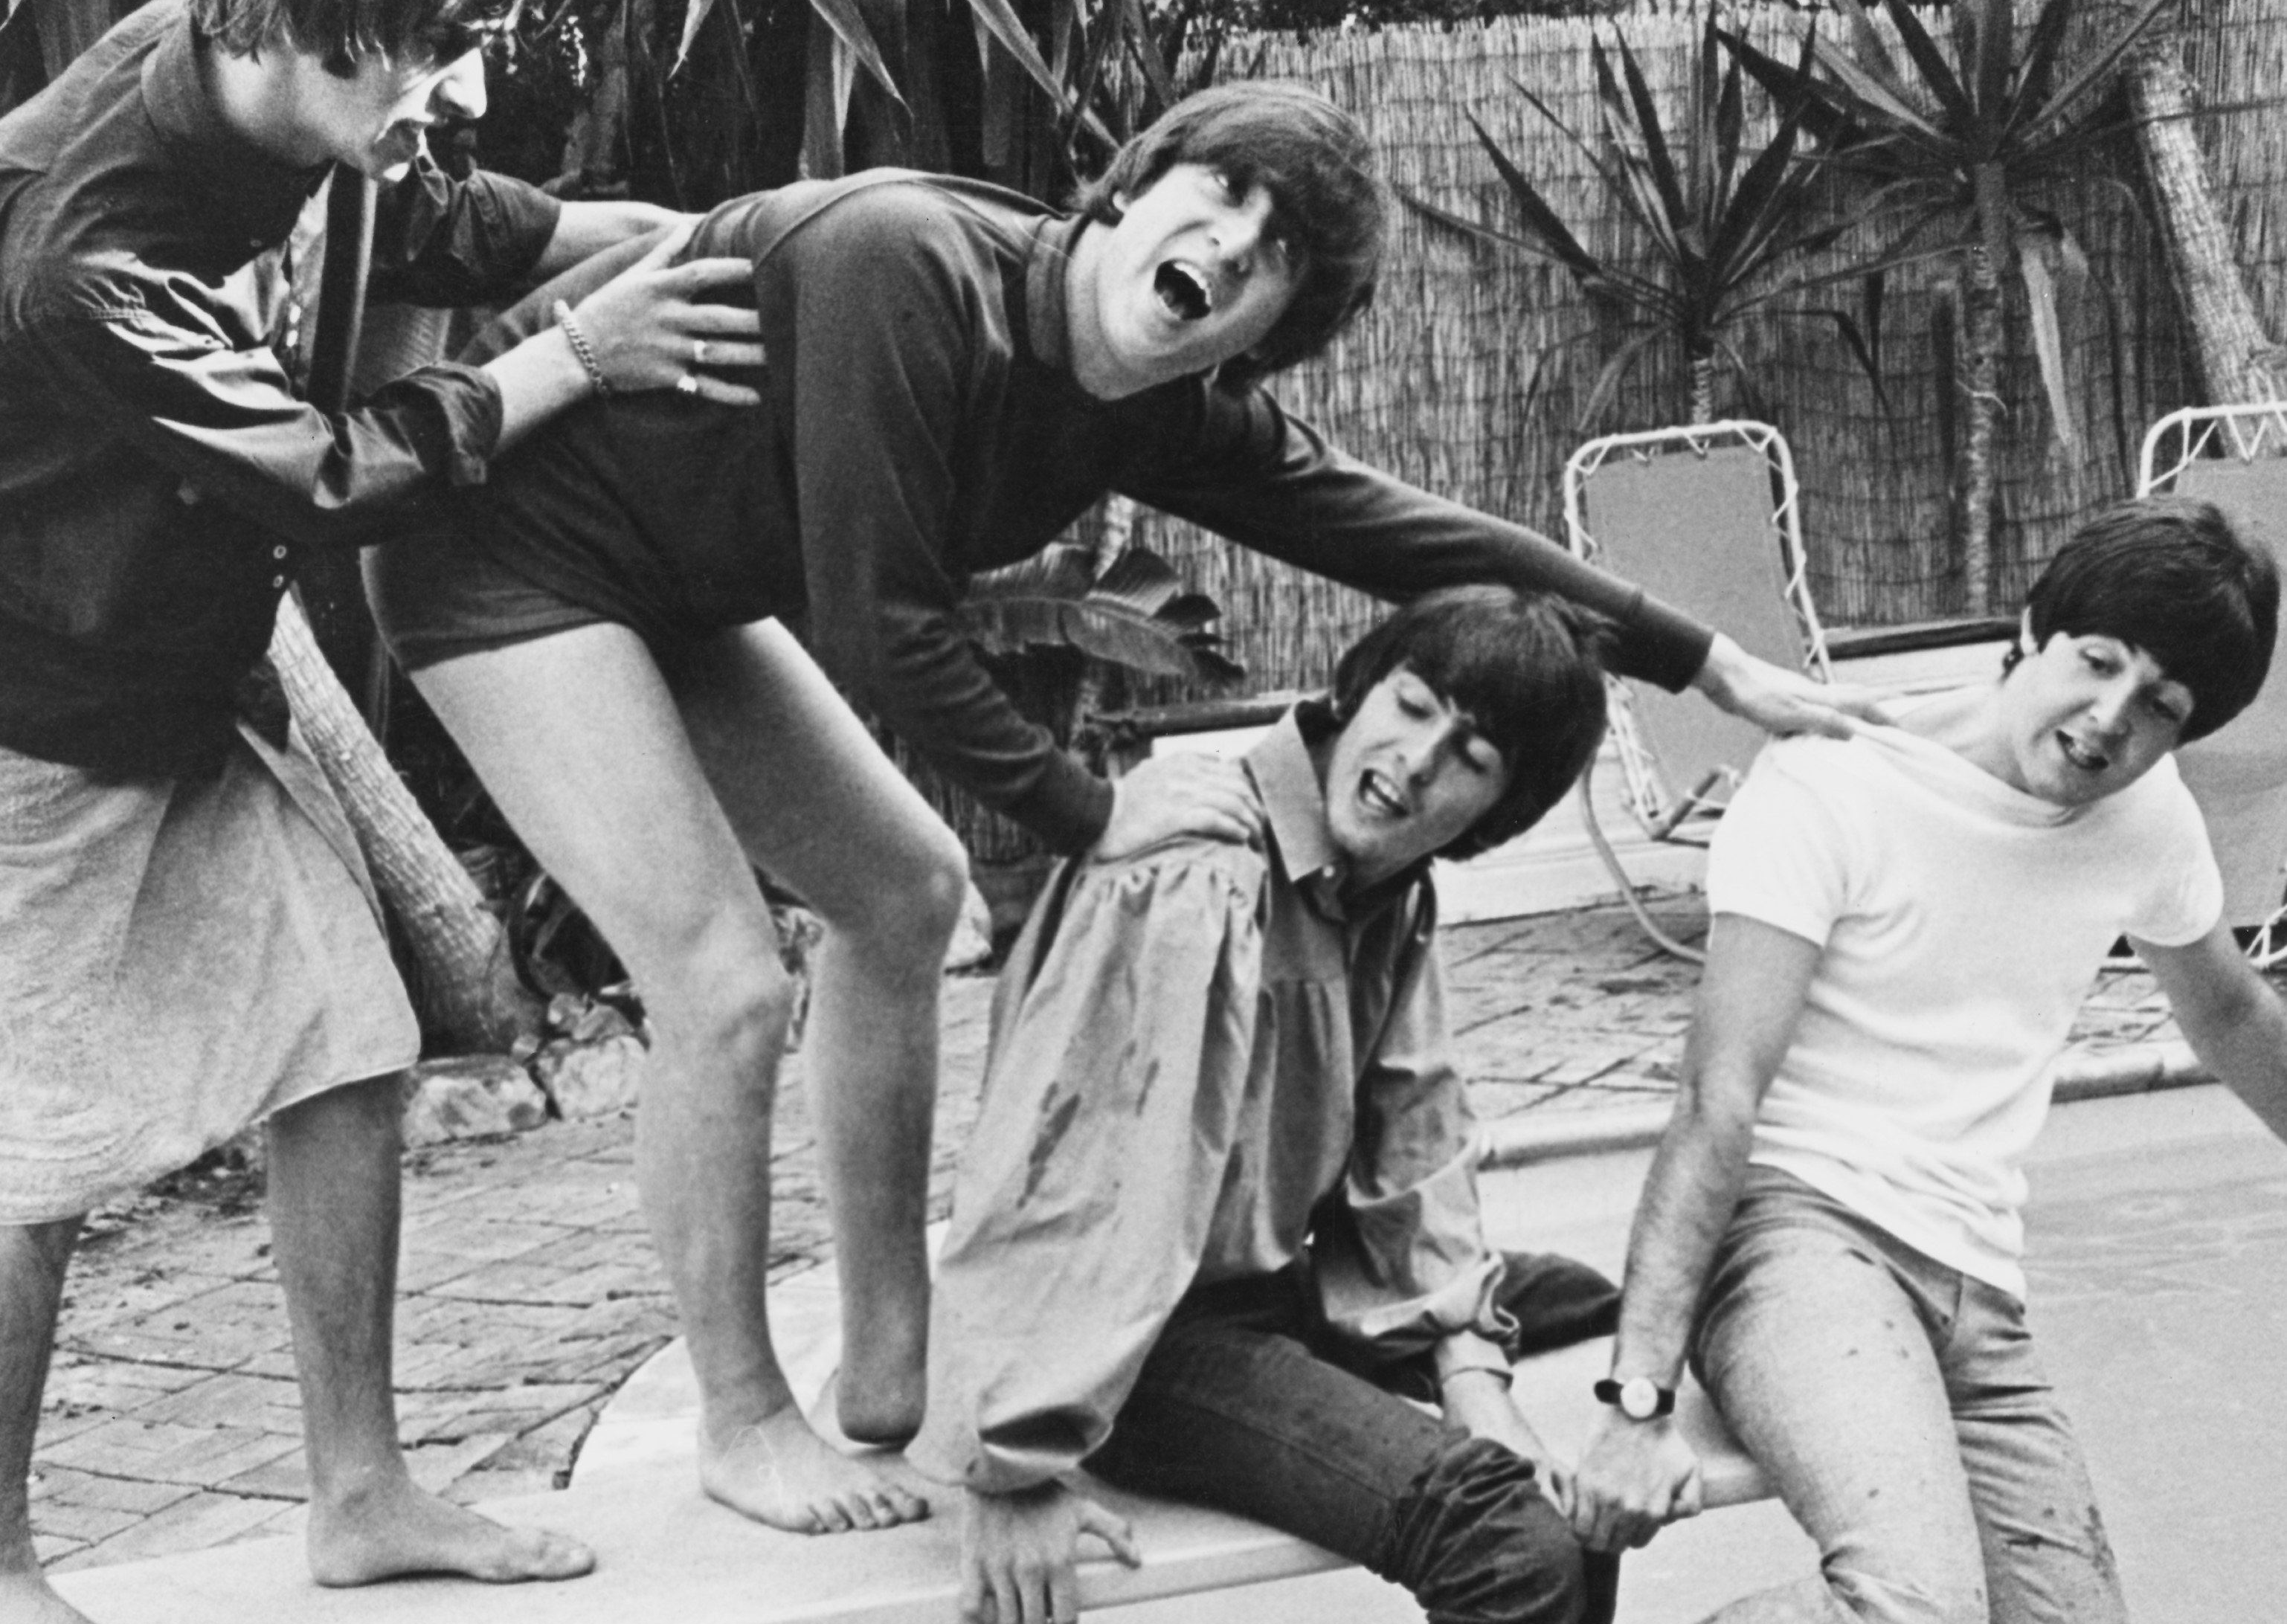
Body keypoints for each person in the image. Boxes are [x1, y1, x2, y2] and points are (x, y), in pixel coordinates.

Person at [367, 80, 1878, 1543]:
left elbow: (1395, 526)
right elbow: (880, 622)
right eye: (1221, 194)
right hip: (502, 551)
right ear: (1133, 184)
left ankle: (887, 1353)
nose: (1229, 246)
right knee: (719, 977)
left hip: (674, 582)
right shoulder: (905, 264)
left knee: (901, 894)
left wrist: (1702, 657)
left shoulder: (1159, 407)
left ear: (1269, 333)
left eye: (1278, 254)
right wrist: (1092, 815)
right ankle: (742, 1414)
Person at [0, 0, 766, 1624]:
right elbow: (330, 474)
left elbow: (429, 217)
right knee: (27, 1157)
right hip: (30, 708)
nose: (444, 81)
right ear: (299, 12)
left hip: (181, 665)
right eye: (415, 45)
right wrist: (579, 352)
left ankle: (361, 1490)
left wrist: (661, 240)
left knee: (347, 1039)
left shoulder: (295, 89)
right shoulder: (84, 238)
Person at [1556, 499, 2286, 1624]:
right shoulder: (1838, 781)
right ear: (2030, 631)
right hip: (1800, 1237)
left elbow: (2235, 1016)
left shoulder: (2148, 815)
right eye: (2098, 658)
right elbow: (1719, 1096)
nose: (2109, 719)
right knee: (1913, 1615)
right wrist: (1636, 1401)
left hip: (1975, 1295)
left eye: (2162, 703)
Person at [908, 587, 1630, 1624]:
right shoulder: (1200, 855)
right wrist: (1008, 1459)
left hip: (1259, 1288)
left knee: (1572, 1498)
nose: (1414, 762)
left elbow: (1411, 1129)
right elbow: (1069, 1166)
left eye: (1470, 756)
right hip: (1137, 1342)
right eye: (1412, 706)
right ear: (1359, 689)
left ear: (1498, 811)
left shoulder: (1380, 885)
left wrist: (1471, 1367)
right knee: (1509, 1549)